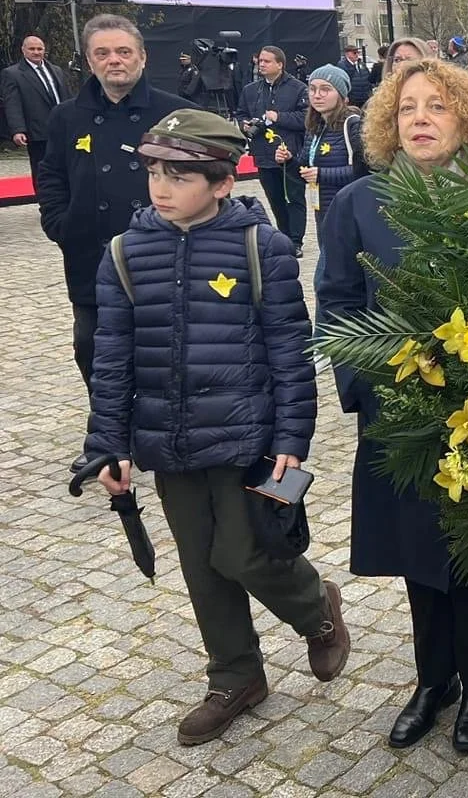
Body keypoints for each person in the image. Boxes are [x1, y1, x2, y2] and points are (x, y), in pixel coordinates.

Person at [83, 108, 350, 745]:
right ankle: (235, 676)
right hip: (169, 445)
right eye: (154, 170)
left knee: (248, 553)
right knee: (203, 568)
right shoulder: (124, 253)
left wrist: (292, 439)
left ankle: (317, 611)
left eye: (181, 173)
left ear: (224, 181)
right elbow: (112, 357)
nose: (161, 185)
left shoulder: (264, 248)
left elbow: (291, 349)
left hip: (248, 441)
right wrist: (106, 449)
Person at [318, 59, 468, 755]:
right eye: (406, 109)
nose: (421, 118)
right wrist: (363, 383)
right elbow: (336, 301)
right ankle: (435, 681)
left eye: (437, 106)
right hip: (395, 413)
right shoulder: (359, 203)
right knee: (413, 551)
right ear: (387, 125)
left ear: (466, 117)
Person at [36, 15, 191, 408]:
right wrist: (60, 223)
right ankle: (106, 431)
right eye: (102, 53)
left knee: (162, 346)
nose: (114, 60)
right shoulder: (66, 117)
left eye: (123, 52)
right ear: (89, 62)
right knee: (91, 345)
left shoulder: (176, 115)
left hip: (160, 252)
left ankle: (159, 424)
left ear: (142, 57)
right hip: (90, 252)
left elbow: (202, 180)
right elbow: (51, 175)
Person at [237, 46, 309, 257]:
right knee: (275, 199)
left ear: (280, 64)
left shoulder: (298, 88)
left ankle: (296, 240)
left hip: (289, 155)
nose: (262, 64)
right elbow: (241, 113)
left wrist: (279, 117)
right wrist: (245, 125)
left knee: (293, 198)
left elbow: (306, 119)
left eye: (267, 61)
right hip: (263, 153)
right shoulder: (250, 90)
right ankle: (284, 237)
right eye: (260, 60)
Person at [293, 64, 367, 238]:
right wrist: (288, 161)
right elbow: (304, 168)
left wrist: (321, 174)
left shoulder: (353, 124)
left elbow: (362, 171)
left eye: (325, 89)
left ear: (341, 95)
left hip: (348, 210)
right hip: (322, 210)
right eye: (312, 89)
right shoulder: (315, 126)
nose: (317, 95)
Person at [4, 34, 70, 179]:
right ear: (23, 50)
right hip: (38, 132)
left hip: (63, 129)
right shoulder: (13, 74)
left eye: (39, 49)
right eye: (32, 49)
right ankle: (45, 200)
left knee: (66, 167)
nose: (36, 52)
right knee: (43, 171)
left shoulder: (56, 70)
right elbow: (12, 104)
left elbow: (66, 97)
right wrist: (18, 130)